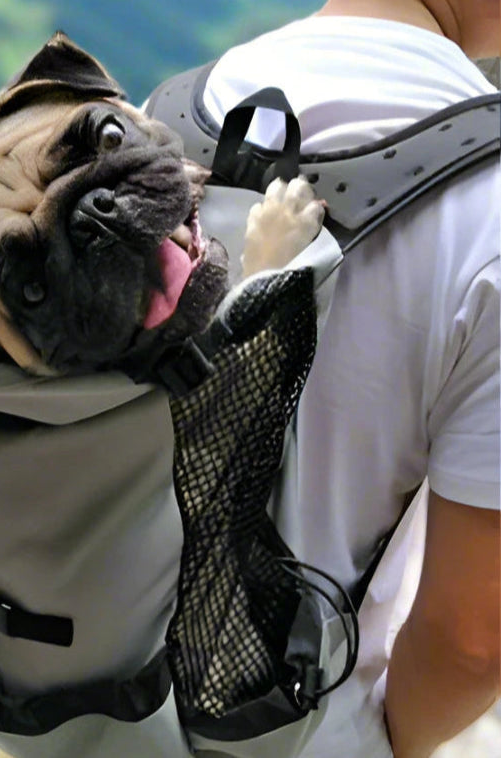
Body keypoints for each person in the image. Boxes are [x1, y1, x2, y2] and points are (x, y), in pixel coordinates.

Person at [195, 1, 500, 756]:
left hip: (88, 711)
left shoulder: (167, 112)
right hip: (293, 730)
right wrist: (372, 743)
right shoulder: (491, 204)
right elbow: (472, 639)